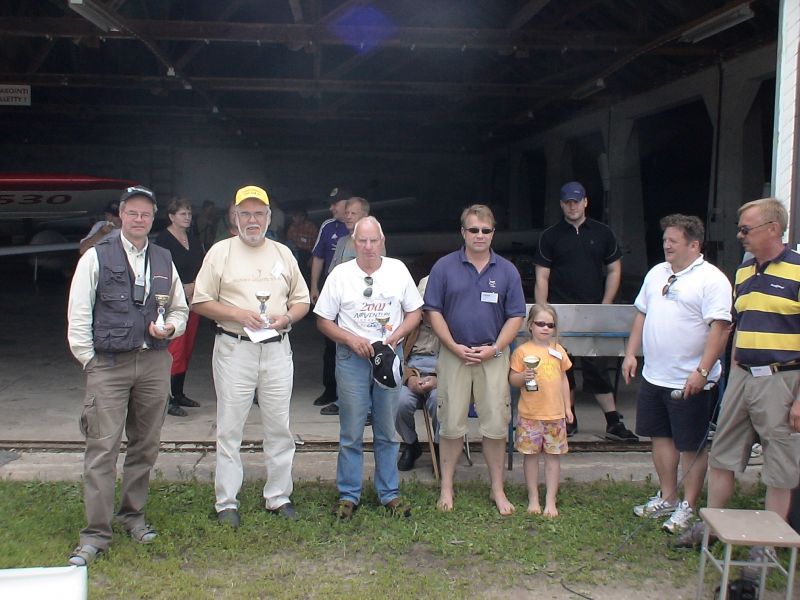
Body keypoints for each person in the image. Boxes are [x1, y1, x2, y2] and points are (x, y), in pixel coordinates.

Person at [66, 185, 188, 566]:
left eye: (146, 215)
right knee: (102, 449)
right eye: (132, 213)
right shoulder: (96, 257)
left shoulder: (165, 258)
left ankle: (133, 515)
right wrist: (90, 361)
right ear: (121, 215)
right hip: (109, 364)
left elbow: (180, 311)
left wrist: (169, 329)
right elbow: (79, 314)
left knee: (144, 447)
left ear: (154, 220)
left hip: (153, 364)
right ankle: (95, 534)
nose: (139, 220)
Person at [675, 198, 800, 554]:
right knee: (724, 453)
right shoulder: (744, 273)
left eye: (746, 229)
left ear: (773, 229)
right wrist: (730, 375)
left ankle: (770, 542)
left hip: (782, 378)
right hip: (743, 375)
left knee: (779, 461)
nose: (739, 235)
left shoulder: (798, 271)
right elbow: (736, 328)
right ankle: (712, 525)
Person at [192, 185, 310, 528]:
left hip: (276, 349)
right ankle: (226, 501)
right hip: (234, 348)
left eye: (259, 213)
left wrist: (287, 318)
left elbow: (302, 300)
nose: (252, 220)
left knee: (279, 426)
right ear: (235, 217)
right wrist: (238, 315)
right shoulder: (220, 252)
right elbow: (200, 301)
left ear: (269, 218)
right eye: (245, 213)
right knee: (230, 427)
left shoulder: (283, 253)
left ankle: (278, 496)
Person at [621, 214, 731, 535]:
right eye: (665, 239)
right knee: (660, 437)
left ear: (694, 245)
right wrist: (631, 353)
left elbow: (720, 329)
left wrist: (702, 371)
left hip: (691, 380)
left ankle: (689, 506)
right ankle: (668, 497)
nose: (666, 245)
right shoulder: (657, 273)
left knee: (691, 445)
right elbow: (641, 314)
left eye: (673, 240)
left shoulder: (712, 280)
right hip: (655, 375)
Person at [314, 216, 422, 520]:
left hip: (388, 355)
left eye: (374, 240)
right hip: (352, 359)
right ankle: (349, 494)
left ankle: (389, 493)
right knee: (351, 429)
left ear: (383, 240)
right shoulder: (340, 274)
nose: (369, 246)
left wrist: (396, 337)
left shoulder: (397, 270)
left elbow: (415, 312)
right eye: (362, 241)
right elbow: (323, 320)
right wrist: (350, 339)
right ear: (353, 242)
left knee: (387, 429)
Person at [424, 204, 526, 515]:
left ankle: (497, 489)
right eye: (473, 230)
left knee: (496, 425)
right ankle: (447, 487)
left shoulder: (507, 270)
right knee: (451, 424)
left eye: (486, 230)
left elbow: (516, 316)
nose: (479, 235)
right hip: (454, 356)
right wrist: (453, 346)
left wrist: (495, 348)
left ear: (493, 232)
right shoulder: (443, 267)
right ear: (463, 232)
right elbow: (433, 311)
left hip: (493, 356)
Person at [534, 181, 637, 442]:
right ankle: (569, 419)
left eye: (576, 201)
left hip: (594, 311)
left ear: (585, 202)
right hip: (559, 313)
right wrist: (542, 313)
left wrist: (604, 305)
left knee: (596, 366)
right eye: (567, 201)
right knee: (560, 368)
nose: (572, 206)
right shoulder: (550, 236)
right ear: (561, 204)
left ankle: (613, 421)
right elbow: (541, 277)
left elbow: (614, 269)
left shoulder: (603, 233)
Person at [509, 303, 573, 517]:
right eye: (540, 323)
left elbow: (564, 379)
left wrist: (568, 406)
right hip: (530, 414)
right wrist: (522, 377)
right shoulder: (521, 351)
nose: (545, 328)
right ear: (530, 325)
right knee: (530, 457)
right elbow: (513, 379)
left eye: (550, 325)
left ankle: (550, 501)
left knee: (553, 458)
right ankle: (533, 498)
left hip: (555, 414)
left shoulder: (558, 350)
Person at [320, 196, 375, 416]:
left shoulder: (373, 243)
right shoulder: (343, 241)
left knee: (367, 358)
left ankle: (368, 408)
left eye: (353, 213)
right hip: (340, 309)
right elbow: (332, 271)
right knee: (341, 355)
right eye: (348, 213)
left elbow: (375, 277)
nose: (348, 216)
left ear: (365, 217)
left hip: (362, 309)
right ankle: (344, 402)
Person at [155, 198, 207, 417]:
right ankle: (166, 398)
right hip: (171, 301)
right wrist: (180, 288)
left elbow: (203, 265)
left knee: (186, 347)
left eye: (189, 214)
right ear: (171, 216)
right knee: (173, 349)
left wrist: (196, 288)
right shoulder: (163, 240)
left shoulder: (193, 239)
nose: (187, 217)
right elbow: (159, 270)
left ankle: (179, 393)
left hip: (192, 298)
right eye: (183, 214)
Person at [309, 188, 352, 409]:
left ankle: (351, 397)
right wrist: (314, 286)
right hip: (331, 292)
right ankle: (330, 390)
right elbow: (318, 256)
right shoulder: (328, 226)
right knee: (330, 343)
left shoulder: (363, 227)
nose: (332, 208)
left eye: (336, 203)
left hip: (355, 297)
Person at [396, 275, 440, 471]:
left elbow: (459, 359)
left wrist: (439, 379)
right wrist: (410, 378)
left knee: (441, 402)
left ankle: (441, 447)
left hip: (441, 375)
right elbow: (396, 357)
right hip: (412, 372)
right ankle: (411, 444)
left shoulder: (452, 325)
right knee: (398, 402)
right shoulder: (408, 324)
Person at [285, 208, 318, 280]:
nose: (294, 219)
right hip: (295, 253)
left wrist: (312, 258)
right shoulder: (292, 227)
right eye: (293, 216)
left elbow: (316, 244)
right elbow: (288, 241)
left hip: (307, 254)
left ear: (302, 217)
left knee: (306, 276)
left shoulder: (310, 227)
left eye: (296, 216)